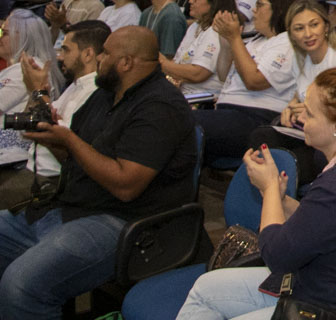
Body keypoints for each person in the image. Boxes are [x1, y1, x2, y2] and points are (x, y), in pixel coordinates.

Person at [177, 68, 336, 320]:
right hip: (327, 287)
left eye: (309, 113)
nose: (302, 120)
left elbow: (276, 255)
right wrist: (282, 198)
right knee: (205, 288)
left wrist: (268, 192)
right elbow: (325, 224)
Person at [0, 26, 196, 319]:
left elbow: (126, 185)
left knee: (22, 285)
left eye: (106, 53)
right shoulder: (106, 94)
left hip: (124, 221)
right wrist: (55, 141)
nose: (100, 58)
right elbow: (77, 158)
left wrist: (69, 140)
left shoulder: (160, 107)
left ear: (126, 62)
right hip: (72, 206)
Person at [248, 0, 336, 183]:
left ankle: (277, 198)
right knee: (263, 137)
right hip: (310, 134)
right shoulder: (302, 60)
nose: (308, 34)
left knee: (284, 166)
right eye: (299, 28)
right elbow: (301, 95)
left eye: (314, 25)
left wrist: (311, 113)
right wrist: (290, 107)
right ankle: (271, 197)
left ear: (326, 27)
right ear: (291, 35)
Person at [0, 21, 105, 211]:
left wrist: (38, 91)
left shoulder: (95, 91)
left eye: (66, 50)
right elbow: (33, 123)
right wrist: (37, 94)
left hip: (52, 179)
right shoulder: (74, 86)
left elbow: (55, 134)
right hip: (31, 168)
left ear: (88, 54)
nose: (60, 56)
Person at [195, 0, 299, 165]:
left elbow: (253, 81)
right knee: (174, 122)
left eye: (259, 4)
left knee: (177, 120)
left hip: (255, 119)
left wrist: (235, 38)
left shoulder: (288, 43)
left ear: (278, 9)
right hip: (229, 114)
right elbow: (222, 74)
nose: (253, 10)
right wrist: (227, 42)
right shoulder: (254, 40)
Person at [0, 10, 63, 117]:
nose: (0, 37)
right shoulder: (20, 67)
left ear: (24, 37)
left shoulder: (29, 69)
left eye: (4, 33)